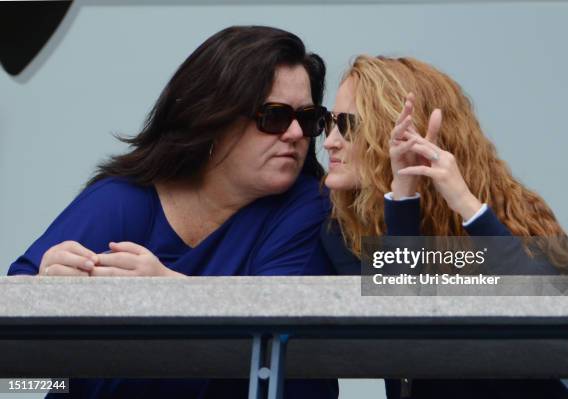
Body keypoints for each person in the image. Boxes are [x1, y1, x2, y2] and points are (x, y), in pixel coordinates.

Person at [8, 26, 338, 399]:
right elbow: (20, 340)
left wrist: (170, 295)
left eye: (311, 119)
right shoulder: (124, 198)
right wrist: (47, 286)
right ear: (214, 118)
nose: (299, 134)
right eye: (274, 117)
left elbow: (276, 329)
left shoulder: (313, 205)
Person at [321, 55, 568, 398]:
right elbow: (400, 333)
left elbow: (557, 308)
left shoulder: (513, 209)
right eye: (329, 122)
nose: (329, 141)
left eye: (348, 125)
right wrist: (403, 199)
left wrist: (466, 204)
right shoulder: (344, 230)